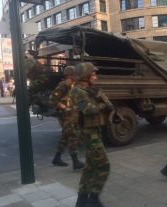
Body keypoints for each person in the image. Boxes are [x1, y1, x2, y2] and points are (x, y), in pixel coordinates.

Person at [71, 62, 113, 207]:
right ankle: (94, 199)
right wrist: (103, 105)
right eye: (93, 74)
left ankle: (81, 201)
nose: (95, 76)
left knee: (89, 167)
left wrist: (100, 97)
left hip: (94, 131)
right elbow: (89, 110)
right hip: (89, 134)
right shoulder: (77, 91)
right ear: (85, 76)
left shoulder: (88, 90)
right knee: (104, 166)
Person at [50, 66, 84, 170]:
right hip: (66, 116)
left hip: (71, 115)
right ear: (70, 75)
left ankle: (57, 158)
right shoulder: (64, 85)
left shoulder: (71, 85)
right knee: (72, 136)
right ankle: (75, 162)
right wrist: (65, 108)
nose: (76, 76)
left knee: (65, 136)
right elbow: (52, 99)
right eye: (74, 74)